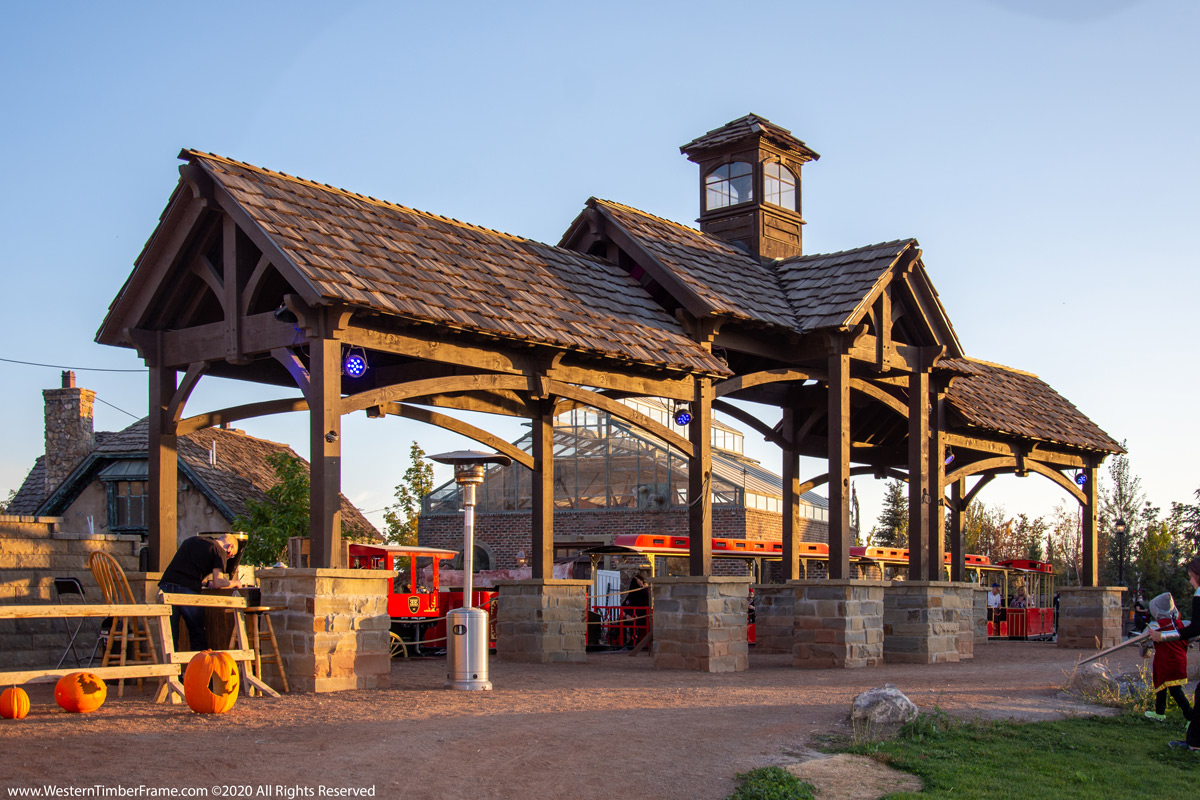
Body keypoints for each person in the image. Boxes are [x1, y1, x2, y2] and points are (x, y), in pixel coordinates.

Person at [1150, 555, 1200, 752]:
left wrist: (1163, 637)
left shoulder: (1199, 594)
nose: (1190, 581)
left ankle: (1195, 743)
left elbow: (1195, 628)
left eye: (1191, 576)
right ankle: (1195, 742)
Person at [159, 533, 242, 651]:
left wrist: (207, 583)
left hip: (166, 587)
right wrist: (235, 583)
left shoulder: (192, 540)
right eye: (230, 556)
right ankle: (200, 667)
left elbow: (189, 569)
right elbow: (219, 582)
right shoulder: (219, 551)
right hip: (186, 591)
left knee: (169, 636)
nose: (227, 558)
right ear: (230, 547)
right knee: (197, 632)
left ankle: (170, 668)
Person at [1141, 592, 1193, 724]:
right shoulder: (1180, 624)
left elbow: (1145, 639)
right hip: (1176, 660)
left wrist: (1144, 645)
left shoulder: (1157, 625)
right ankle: (1159, 712)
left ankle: (1191, 718)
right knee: (1162, 687)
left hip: (1168, 661)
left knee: (1175, 691)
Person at [622, 573, 651, 647]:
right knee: (621, 621)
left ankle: (635, 639)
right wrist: (626, 613)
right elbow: (625, 604)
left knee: (633, 622)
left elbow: (644, 603)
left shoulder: (644, 592)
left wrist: (641, 586)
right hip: (631, 615)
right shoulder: (631, 594)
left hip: (641, 616)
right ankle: (623, 640)